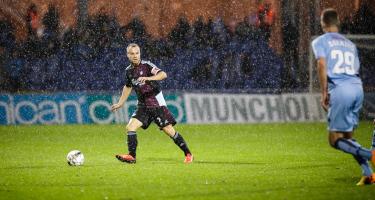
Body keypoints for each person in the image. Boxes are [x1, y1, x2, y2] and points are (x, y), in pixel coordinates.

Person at [311, 8, 375, 185]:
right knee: (348, 137)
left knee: (334, 140)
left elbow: (322, 64)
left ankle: (370, 155)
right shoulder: (350, 44)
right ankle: (368, 173)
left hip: (340, 89)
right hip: (357, 87)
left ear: (323, 23)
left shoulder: (320, 41)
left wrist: (324, 91)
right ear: (337, 22)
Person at [111, 43, 193, 164]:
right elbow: (128, 87)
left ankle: (188, 154)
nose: (135, 56)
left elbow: (163, 74)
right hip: (142, 104)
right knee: (130, 127)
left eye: (137, 53)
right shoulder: (128, 71)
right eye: (132, 53)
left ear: (140, 53)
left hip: (155, 102)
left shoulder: (147, 65)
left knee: (168, 130)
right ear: (127, 55)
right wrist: (120, 103)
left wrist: (148, 78)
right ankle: (131, 156)